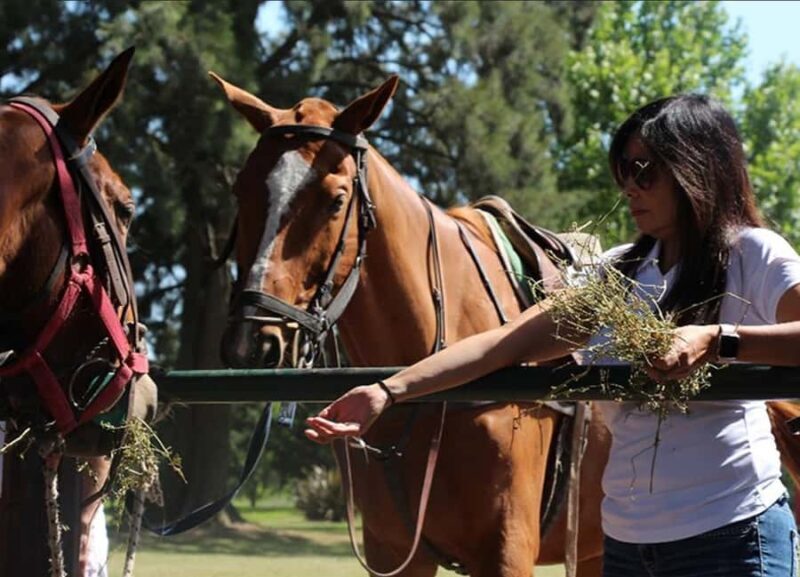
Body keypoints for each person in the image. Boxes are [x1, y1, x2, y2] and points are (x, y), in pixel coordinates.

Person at [304, 94, 800, 577]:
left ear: (699, 168)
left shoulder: (751, 254)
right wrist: (388, 391)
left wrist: (719, 340)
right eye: (623, 171)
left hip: (732, 537)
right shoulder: (617, 275)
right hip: (628, 548)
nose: (629, 187)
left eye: (644, 171)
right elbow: (503, 345)